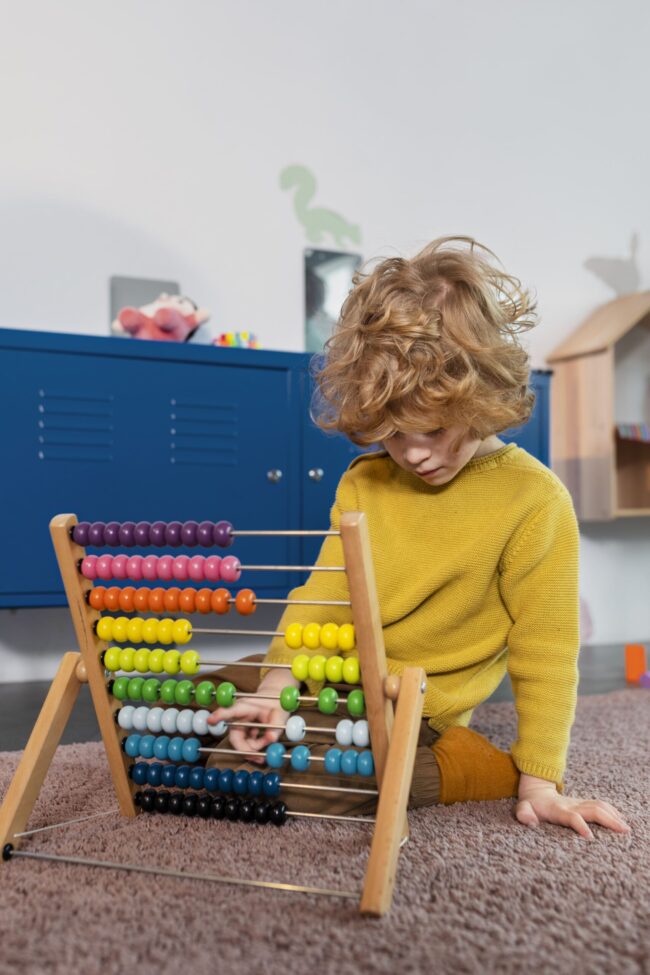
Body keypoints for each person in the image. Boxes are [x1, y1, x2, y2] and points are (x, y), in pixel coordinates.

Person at [208, 235, 630, 839]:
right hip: (332, 681)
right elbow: (325, 593)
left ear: (482, 390)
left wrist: (539, 780)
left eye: (431, 428)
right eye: (390, 432)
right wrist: (277, 687)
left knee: (260, 771)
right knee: (201, 701)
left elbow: (546, 652)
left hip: (412, 709)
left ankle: (463, 767)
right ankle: (259, 717)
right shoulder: (367, 482)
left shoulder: (534, 500)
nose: (412, 453)